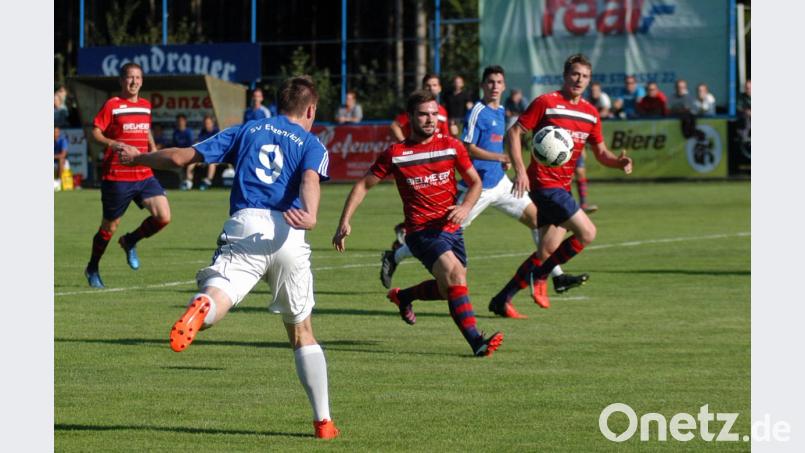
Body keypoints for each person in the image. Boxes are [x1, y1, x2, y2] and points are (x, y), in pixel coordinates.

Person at [118, 75, 340, 439]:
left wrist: (138, 157)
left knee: (219, 292)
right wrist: (312, 215)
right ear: (311, 110)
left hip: (246, 225)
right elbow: (310, 181)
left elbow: (179, 157)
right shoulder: (311, 142)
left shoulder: (246, 130)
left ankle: (203, 304)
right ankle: (324, 423)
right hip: (289, 231)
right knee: (302, 332)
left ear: (278, 102)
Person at [379, 66, 589, 316]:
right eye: (490, 82)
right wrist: (497, 155)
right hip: (477, 188)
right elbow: (466, 148)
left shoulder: (501, 111)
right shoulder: (477, 111)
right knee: (439, 235)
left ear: (504, 85)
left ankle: (555, 276)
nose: (495, 86)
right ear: (482, 85)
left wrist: (505, 161)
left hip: (500, 184)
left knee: (537, 220)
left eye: (499, 82)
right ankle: (395, 256)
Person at [332, 89, 504, 357]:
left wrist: (466, 206)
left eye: (434, 114)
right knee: (455, 275)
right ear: (410, 117)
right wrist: (345, 222)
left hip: (451, 229)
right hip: (421, 231)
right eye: (423, 114)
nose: (430, 119)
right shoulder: (396, 153)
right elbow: (363, 185)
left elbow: (475, 182)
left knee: (451, 290)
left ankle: (404, 297)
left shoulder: (452, 145)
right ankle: (476, 342)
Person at [499, 53, 633, 311]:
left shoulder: (591, 113)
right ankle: (541, 278)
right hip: (543, 185)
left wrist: (619, 163)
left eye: (584, 76)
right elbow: (514, 132)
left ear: (590, 80)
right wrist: (521, 170)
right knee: (588, 232)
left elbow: (602, 153)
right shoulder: (546, 103)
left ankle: (502, 299)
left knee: (547, 250)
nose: (579, 80)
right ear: (565, 75)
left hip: (562, 186)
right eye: (575, 74)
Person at [84, 62, 171, 289]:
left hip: (143, 173)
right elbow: (94, 132)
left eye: (138, 78)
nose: (134, 82)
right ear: (122, 81)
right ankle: (92, 267)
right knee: (109, 228)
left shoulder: (145, 105)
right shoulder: (112, 105)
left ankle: (130, 240)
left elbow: (145, 129)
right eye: (130, 78)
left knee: (163, 216)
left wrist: (152, 149)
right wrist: (112, 143)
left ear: (142, 81)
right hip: (117, 175)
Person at [389, 73, 449, 141]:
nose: (431, 88)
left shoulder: (443, 111)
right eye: (428, 85)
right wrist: (404, 143)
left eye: (434, 85)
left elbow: (445, 135)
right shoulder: (417, 107)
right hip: (415, 148)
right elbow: (394, 126)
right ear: (423, 87)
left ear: (439, 88)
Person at [182, 114, 221, 190]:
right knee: (191, 162)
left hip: (215, 156)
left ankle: (207, 182)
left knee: (212, 163)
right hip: (203, 155)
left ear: (212, 123)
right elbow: (200, 145)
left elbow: (215, 147)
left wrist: (205, 159)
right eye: (205, 123)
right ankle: (188, 182)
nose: (206, 125)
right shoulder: (202, 132)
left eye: (208, 123)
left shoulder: (217, 132)